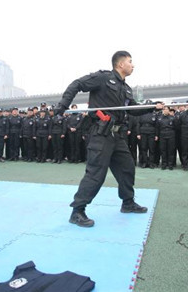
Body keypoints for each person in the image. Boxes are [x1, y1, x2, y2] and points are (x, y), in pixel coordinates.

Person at [53, 51, 163, 227]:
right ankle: (77, 211)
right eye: (130, 62)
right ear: (120, 64)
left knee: (127, 168)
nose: (133, 65)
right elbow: (77, 84)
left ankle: (127, 203)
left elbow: (132, 109)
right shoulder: (103, 78)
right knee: (96, 173)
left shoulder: (126, 88)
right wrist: (63, 106)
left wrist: (152, 107)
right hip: (101, 133)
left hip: (117, 135)